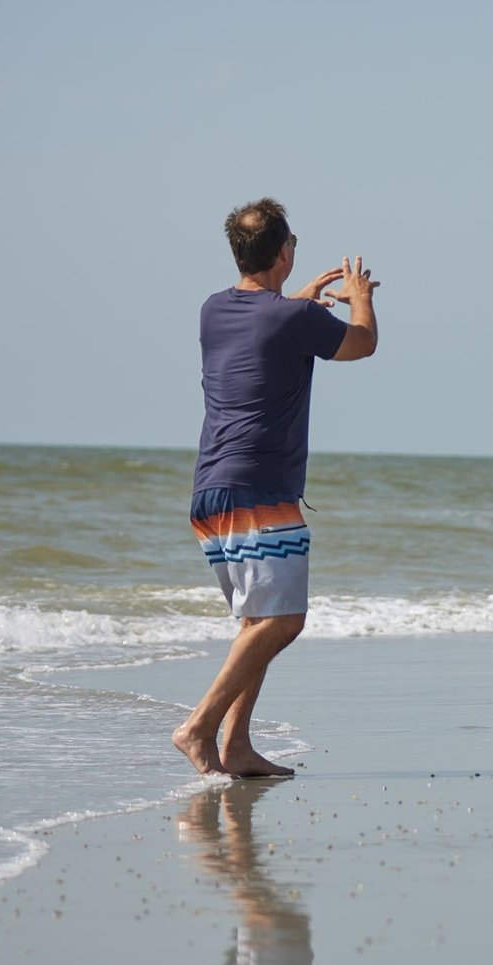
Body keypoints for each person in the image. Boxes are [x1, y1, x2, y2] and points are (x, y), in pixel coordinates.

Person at [172, 197, 379, 777]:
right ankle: (198, 727)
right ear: (285, 251)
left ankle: (236, 746)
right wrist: (359, 300)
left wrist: (298, 298)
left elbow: (265, 319)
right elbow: (361, 343)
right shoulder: (294, 319)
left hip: (210, 493)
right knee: (283, 622)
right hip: (259, 491)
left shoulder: (214, 309)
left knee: (255, 622)